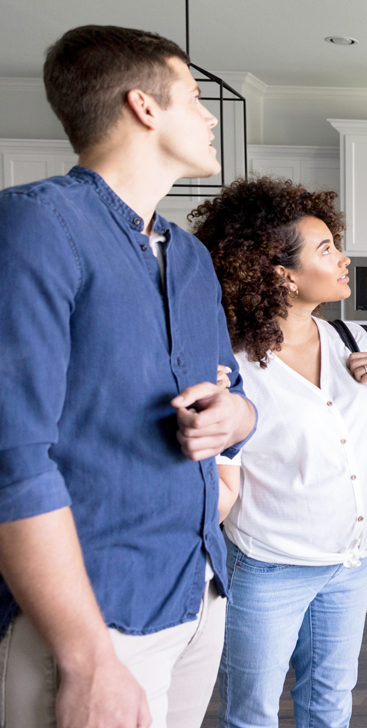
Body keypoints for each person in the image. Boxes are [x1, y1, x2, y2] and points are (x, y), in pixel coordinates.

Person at [0, 24, 258, 728]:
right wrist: (87, 660)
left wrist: (238, 420)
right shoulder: (34, 227)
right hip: (96, 620)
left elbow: (232, 395)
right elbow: (12, 464)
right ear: (144, 106)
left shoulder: (189, 256)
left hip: (198, 594)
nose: (210, 117)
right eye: (196, 97)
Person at [189, 176, 367, 728]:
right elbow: (220, 472)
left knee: (330, 705)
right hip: (269, 567)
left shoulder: (352, 340)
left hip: (347, 563)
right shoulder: (232, 362)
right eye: (326, 248)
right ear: (282, 273)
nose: (343, 257)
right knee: (252, 712)